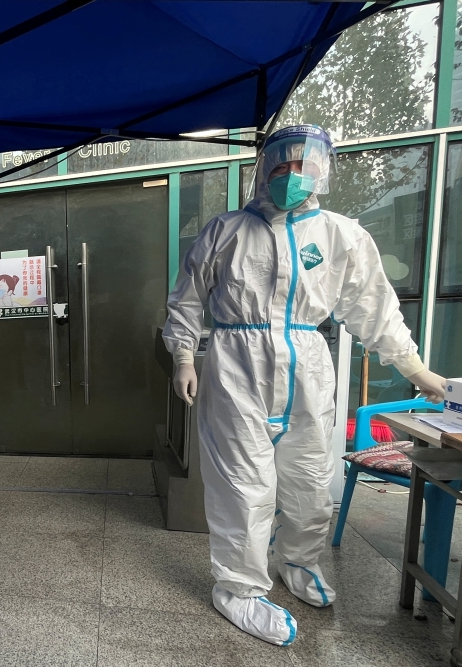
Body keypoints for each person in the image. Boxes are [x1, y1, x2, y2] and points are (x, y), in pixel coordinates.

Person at [163, 124, 446, 646]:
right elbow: (185, 299)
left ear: (322, 172)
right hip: (234, 365)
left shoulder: (342, 235)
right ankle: (239, 588)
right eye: (281, 165)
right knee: (244, 485)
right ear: (262, 170)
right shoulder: (225, 230)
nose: (292, 177)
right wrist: (184, 355)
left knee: (311, 477)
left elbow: (374, 309)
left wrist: (415, 370)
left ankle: (298, 562)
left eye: (304, 167)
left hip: (308, 366)